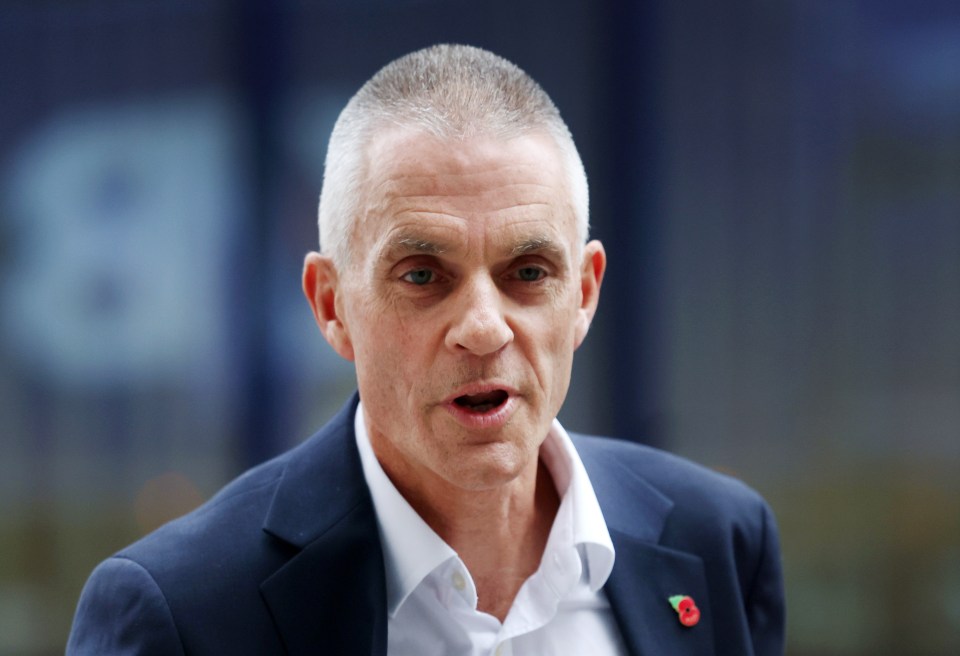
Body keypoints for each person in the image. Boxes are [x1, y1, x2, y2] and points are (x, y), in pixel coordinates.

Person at [67, 44, 785, 655]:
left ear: (586, 295)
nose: (483, 327)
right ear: (331, 304)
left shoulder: (718, 542)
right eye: (422, 276)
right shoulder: (180, 612)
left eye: (528, 273)